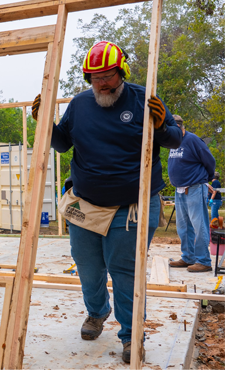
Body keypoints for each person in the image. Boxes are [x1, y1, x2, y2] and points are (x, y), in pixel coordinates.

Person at [37, 41, 182, 362]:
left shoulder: (144, 99)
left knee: (124, 271)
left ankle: (132, 335)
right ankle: (97, 311)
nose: (102, 83)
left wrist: (160, 126)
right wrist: (45, 122)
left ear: (122, 72)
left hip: (130, 206)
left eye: (108, 76)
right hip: (85, 202)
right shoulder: (79, 104)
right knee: (87, 266)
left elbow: (175, 138)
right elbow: (61, 144)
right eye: (95, 77)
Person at [167, 116, 215, 273]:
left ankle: (204, 261)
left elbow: (210, 161)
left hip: (194, 187)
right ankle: (188, 257)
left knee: (198, 225)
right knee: (183, 226)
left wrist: (204, 180)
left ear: (179, 127)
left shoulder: (192, 140)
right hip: (180, 189)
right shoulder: (172, 141)